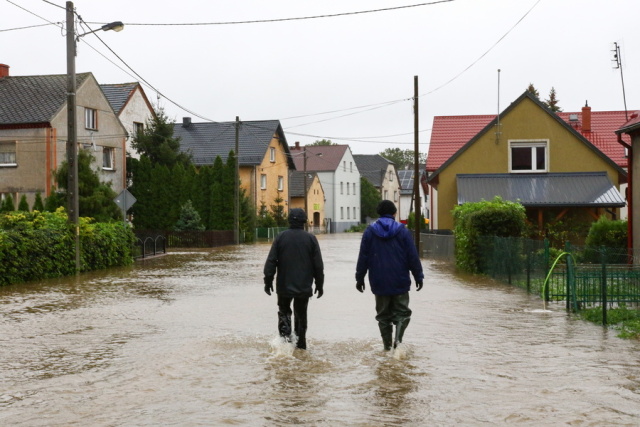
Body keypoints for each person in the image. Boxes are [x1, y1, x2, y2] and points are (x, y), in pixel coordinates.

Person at [355, 200, 424, 351]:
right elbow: (412, 256)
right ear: (394, 213)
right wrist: (418, 276)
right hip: (400, 280)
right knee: (402, 313)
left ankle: (387, 348)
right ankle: (398, 343)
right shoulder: (403, 231)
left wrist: (359, 278)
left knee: (383, 316)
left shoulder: (369, 231)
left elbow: (363, 257)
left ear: (378, 213)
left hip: (378, 281)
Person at [263, 208, 324, 350]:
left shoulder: (280, 237)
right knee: (301, 314)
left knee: (284, 312)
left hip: (284, 286)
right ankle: (301, 345)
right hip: (304, 286)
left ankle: (284, 344)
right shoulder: (311, 239)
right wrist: (319, 285)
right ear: (304, 222)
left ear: (289, 220)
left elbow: (271, 261)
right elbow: (318, 266)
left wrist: (268, 281)